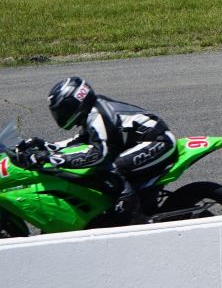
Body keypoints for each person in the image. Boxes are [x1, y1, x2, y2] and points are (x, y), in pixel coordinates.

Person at [19, 76, 176, 219]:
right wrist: (46, 146)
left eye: (63, 109)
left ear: (75, 102)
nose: (60, 114)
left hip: (159, 141)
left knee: (112, 168)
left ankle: (134, 216)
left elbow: (98, 155)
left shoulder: (96, 115)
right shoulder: (91, 112)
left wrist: (53, 158)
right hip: (135, 142)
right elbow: (80, 140)